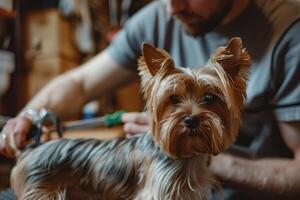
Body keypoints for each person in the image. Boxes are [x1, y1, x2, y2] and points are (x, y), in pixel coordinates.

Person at [1, 0, 300, 199]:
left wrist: (206, 158)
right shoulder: (161, 14)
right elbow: (78, 83)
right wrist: (26, 118)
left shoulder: (289, 33)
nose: (172, 7)